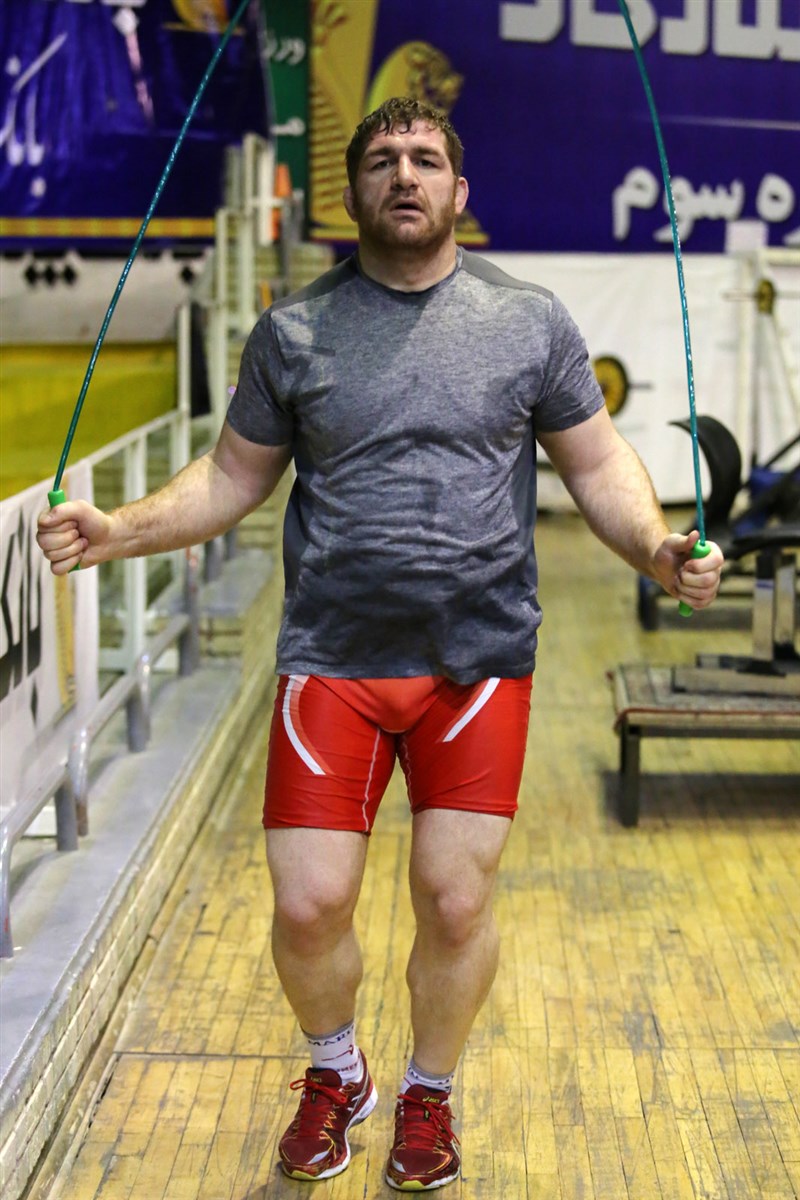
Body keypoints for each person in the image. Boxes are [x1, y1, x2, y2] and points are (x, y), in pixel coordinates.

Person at [37, 97, 724, 1192]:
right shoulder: (294, 333)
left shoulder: (528, 322)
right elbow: (231, 477)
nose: (405, 174)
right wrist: (120, 530)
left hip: (477, 664)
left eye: (426, 159)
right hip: (332, 660)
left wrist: (653, 547)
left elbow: (595, 465)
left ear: (459, 192)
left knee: (453, 900)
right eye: (383, 160)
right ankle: (335, 1070)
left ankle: (428, 1095)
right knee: (308, 906)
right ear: (350, 192)